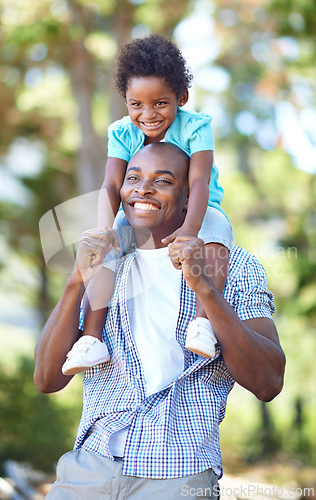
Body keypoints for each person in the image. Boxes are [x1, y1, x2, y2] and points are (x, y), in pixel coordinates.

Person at [34, 143, 285, 500]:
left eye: (162, 181)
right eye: (133, 178)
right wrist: (76, 281)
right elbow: (47, 378)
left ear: (189, 199)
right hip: (89, 468)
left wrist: (205, 289)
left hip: (178, 474)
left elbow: (268, 381)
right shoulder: (104, 265)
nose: (143, 189)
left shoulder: (234, 266)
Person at [61, 34, 234, 376]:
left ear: (180, 97)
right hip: (144, 212)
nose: (148, 114)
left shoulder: (196, 127)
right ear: (125, 100)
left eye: (160, 103)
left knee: (216, 236)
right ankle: (92, 337)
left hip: (199, 207)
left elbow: (198, 182)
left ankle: (202, 323)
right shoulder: (122, 133)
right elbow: (112, 184)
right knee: (105, 251)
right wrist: (104, 229)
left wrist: (189, 230)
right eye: (136, 104)